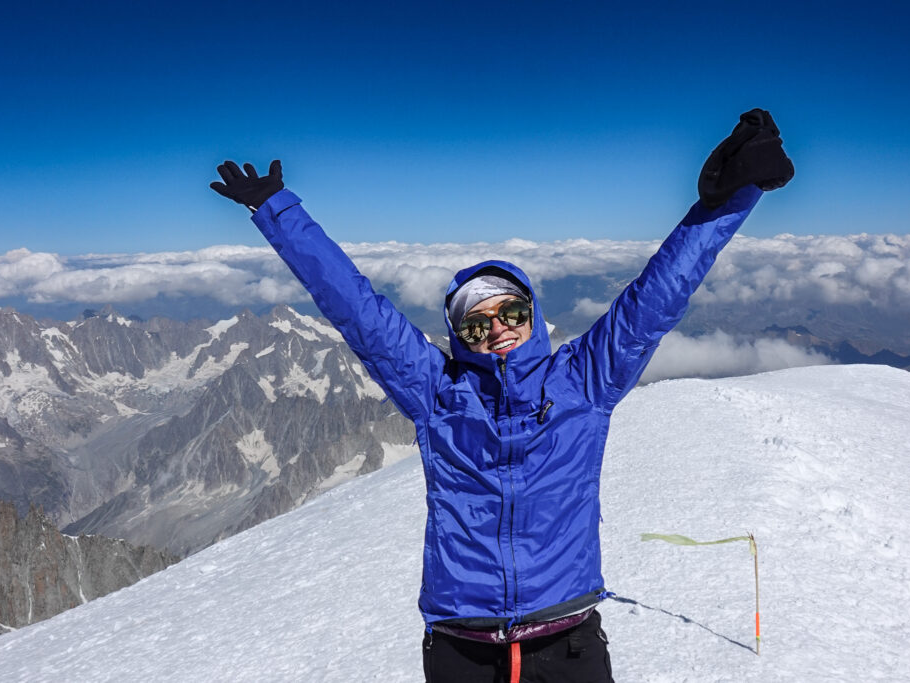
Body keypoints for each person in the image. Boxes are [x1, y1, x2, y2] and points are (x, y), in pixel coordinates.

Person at [210, 109, 793, 683]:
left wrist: (731, 198)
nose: (497, 329)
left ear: (532, 314)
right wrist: (277, 211)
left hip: (567, 643)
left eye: (511, 311)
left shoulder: (584, 381)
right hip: (462, 651)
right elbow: (358, 310)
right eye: (475, 323)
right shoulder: (438, 394)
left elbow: (657, 297)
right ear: (459, 337)